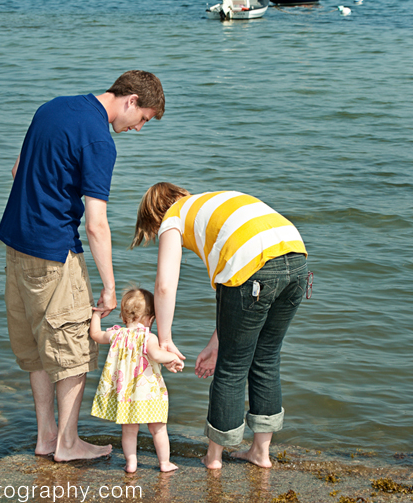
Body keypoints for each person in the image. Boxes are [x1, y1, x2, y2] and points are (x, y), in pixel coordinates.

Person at [0, 70, 165, 462]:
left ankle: (47, 436)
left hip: (16, 243)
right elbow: (96, 223)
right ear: (131, 102)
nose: (138, 129)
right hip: (55, 251)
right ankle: (68, 444)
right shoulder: (99, 140)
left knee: (37, 347)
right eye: (143, 120)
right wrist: (109, 285)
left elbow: (17, 171)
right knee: (72, 349)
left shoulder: (52, 108)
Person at [132, 183, 309, 469]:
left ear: (155, 215)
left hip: (253, 268)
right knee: (266, 358)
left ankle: (213, 458)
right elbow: (234, 282)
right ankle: (260, 453)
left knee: (232, 366)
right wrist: (216, 343)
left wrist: (164, 340)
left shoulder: (171, 218)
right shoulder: (213, 202)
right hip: (296, 260)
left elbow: (164, 286)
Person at [90, 287, 183, 473]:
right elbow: (156, 355)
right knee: (158, 430)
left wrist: (96, 314)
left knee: (129, 432)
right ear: (150, 318)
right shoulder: (148, 337)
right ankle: (164, 463)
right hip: (149, 395)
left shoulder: (116, 334)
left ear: (124, 317)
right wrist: (173, 358)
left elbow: (95, 335)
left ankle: (131, 464)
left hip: (126, 395)